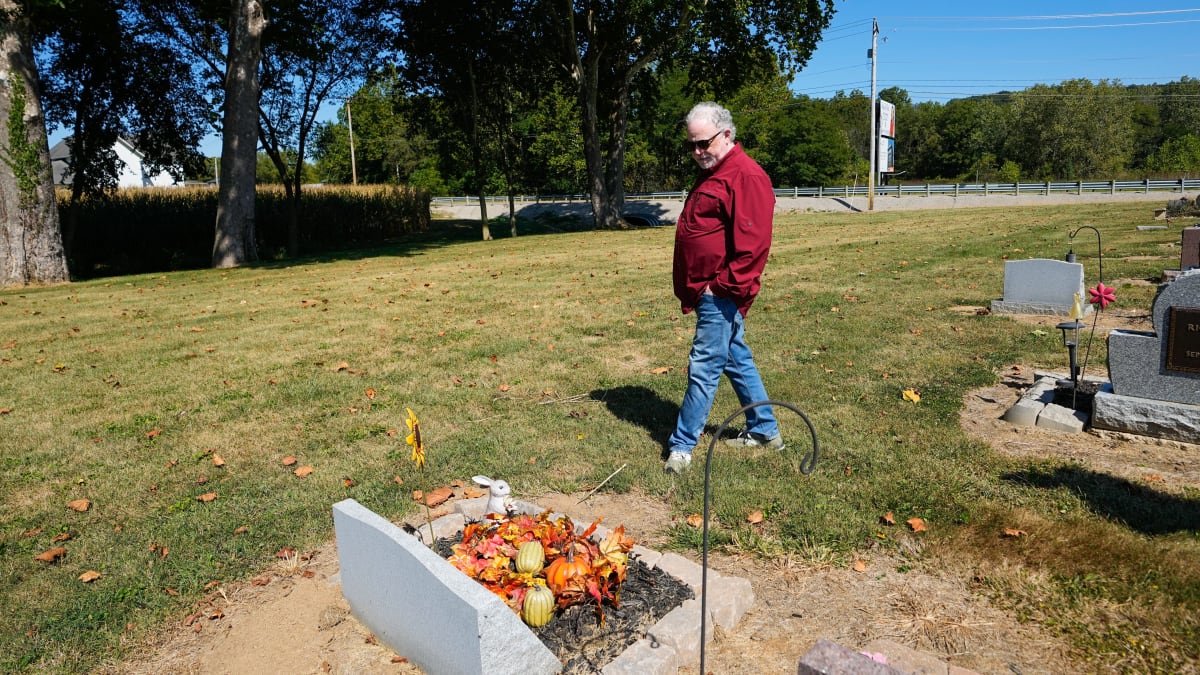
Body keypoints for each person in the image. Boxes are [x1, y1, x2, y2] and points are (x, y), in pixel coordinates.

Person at [664, 101, 782, 474]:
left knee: (704, 365)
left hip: (720, 293)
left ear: (727, 134)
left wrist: (720, 287)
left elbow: (753, 246)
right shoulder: (714, 171)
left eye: (704, 143)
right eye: (692, 145)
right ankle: (765, 430)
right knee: (735, 357)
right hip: (708, 290)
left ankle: (682, 446)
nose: (697, 152)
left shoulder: (745, 176)